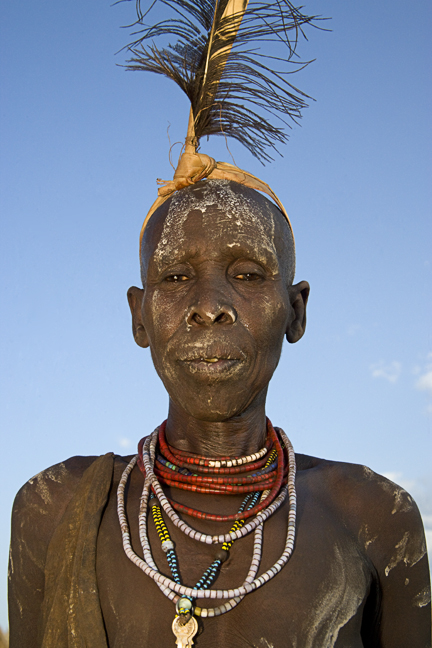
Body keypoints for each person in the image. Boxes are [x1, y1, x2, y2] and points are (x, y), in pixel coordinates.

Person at [8, 2, 432, 645]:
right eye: (175, 278)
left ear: (296, 310)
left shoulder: (374, 516)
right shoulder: (55, 508)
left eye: (249, 273)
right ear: (139, 315)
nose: (209, 305)